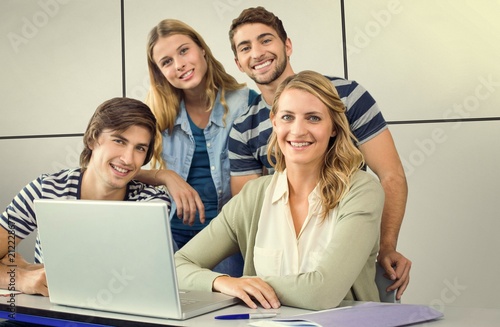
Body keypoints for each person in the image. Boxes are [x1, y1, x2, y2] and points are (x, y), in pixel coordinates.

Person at [227, 6, 410, 298]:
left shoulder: (347, 96)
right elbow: (250, 215)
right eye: (246, 47)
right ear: (238, 63)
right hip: (283, 266)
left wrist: (386, 246)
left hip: (343, 245)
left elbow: (391, 175)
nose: (257, 52)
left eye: (266, 40)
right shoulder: (242, 129)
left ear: (287, 45)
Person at [175, 71, 384, 310]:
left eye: (313, 118)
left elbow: (321, 294)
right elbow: (179, 265)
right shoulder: (253, 196)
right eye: (287, 117)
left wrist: (252, 285)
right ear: (274, 122)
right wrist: (223, 282)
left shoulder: (361, 191)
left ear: (334, 127)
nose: (298, 130)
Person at [0, 97, 171, 296]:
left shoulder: (151, 203)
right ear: (92, 140)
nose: (128, 159)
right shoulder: (46, 190)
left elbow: (123, 280)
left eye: (140, 148)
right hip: (49, 313)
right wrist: (19, 278)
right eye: (119, 141)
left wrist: (28, 268)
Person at [135, 19, 256, 275]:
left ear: (201, 49)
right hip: (170, 234)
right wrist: (167, 177)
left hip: (225, 239)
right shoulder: (154, 115)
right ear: (159, 72)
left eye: (183, 50)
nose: (179, 65)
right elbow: (118, 170)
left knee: (225, 305)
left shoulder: (246, 103)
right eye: (166, 62)